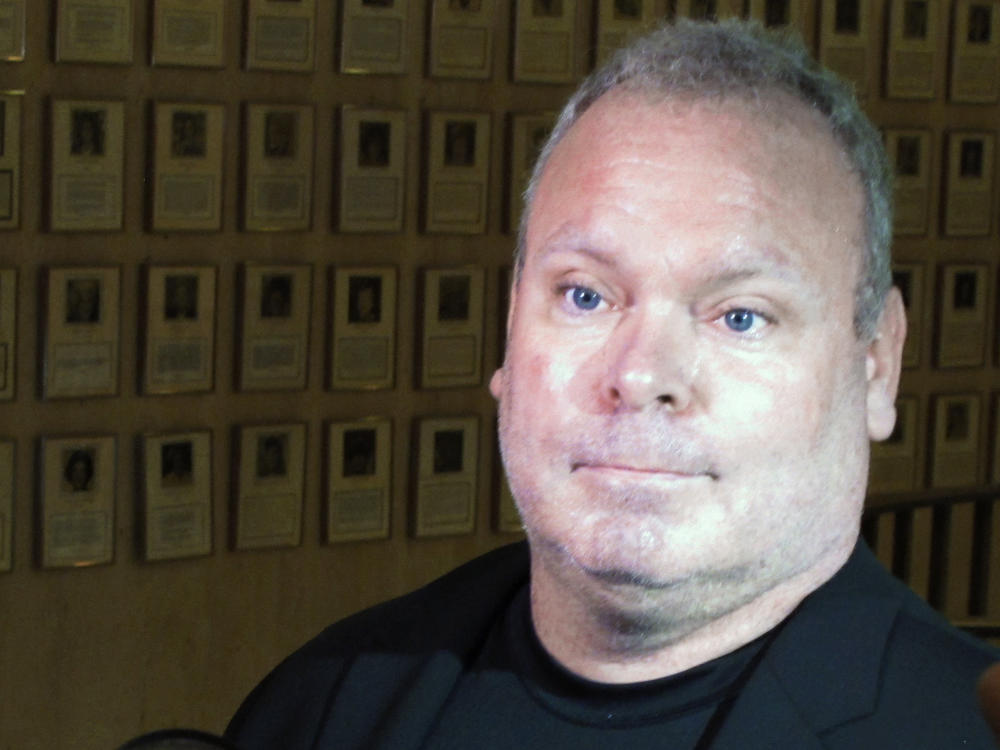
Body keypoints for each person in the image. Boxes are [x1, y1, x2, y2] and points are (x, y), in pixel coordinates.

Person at [226, 20, 999, 748]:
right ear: (508, 329)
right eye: (586, 295)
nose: (639, 375)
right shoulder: (327, 704)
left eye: (740, 317)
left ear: (876, 365)